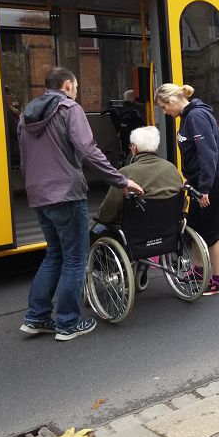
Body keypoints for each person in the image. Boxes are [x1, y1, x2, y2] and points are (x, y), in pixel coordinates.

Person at [18, 67, 144, 341]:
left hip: (38, 195)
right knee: (75, 259)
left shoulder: (25, 114)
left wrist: (33, 187)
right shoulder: (69, 109)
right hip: (66, 194)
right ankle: (67, 324)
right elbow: (89, 150)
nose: (76, 92)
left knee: (54, 254)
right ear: (67, 85)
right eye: (75, 87)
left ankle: (36, 317)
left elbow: (24, 158)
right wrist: (121, 180)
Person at [155, 83, 219, 295]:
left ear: (172, 101)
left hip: (213, 180)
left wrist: (205, 189)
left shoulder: (196, 117)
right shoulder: (188, 116)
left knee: (213, 229)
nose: (165, 112)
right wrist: (191, 181)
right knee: (196, 225)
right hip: (201, 179)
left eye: (164, 107)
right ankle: (198, 271)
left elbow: (208, 155)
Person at [97, 126, 183, 224]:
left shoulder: (125, 173)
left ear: (134, 146)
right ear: (155, 146)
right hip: (168, 228)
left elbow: (109, 211)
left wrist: (101, 218)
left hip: (136, 231)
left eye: (131, 146)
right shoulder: (172, 168)